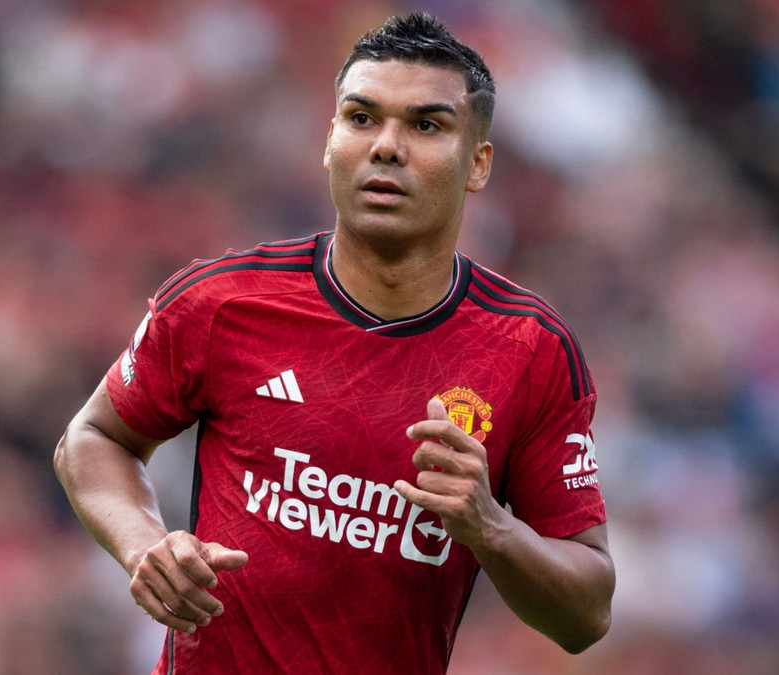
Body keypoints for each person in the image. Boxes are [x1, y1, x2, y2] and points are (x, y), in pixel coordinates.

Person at [55, 12, 614, 674]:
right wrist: (142, 544)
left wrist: (490, 526)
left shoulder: (530, 349)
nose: (386, 147)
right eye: (362, 118)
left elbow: (587, 614)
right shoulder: (223, 301)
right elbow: (93, 437)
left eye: (426, 126)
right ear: (330, 141)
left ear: (478, 164)